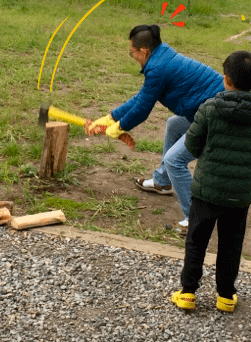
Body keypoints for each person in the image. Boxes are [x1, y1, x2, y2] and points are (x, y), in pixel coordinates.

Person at [171, 50, 251, 313]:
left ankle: (187, 293)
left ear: (226, 79)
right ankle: (226, 297)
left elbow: (192, 145)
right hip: (239, 195)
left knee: (197, 240)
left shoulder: (209, 109)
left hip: (206, 191)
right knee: (231, 243)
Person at [88, 25, 224, 229]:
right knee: (173, 124)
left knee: (175, 160)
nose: (132, 56)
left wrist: (119, 127)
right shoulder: (161, 57)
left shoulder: (159, 68)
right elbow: (142, 97)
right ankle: (162, 181)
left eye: (132, 52)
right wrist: (110, 118)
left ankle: (194, 219)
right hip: (203, 110)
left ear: (144, 51)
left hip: (216, 116)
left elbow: (143, 109)